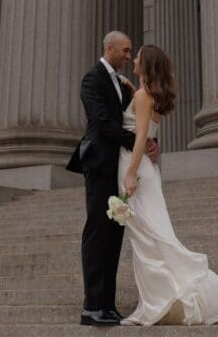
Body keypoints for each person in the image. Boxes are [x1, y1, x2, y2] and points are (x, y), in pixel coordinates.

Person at [118, 45, 218, 326]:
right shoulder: (148, 96)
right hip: (147, 170)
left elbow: (139, 139)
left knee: (149, 237)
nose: (134, 59)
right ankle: (157, 302)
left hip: (135, 168)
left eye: (137, 56)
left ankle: (155, 305)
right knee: (151, 235)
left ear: (145, 64)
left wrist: (130, 173)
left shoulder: (141, 96)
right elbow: (148, 134)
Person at [67, 31, 158, 327]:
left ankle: (107, 304)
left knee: (115, 234)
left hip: (117, 166)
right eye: (125, 50)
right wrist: (137, 142)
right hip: (99, 165)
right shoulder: (91, 79)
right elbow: (103, 123)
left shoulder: (121, 83)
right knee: (97, 232)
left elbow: (136, 119)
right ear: (109, 47)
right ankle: (91, 306)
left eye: (131, 52)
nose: (129, 56)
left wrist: (145, 141)